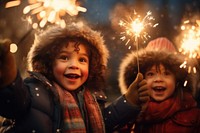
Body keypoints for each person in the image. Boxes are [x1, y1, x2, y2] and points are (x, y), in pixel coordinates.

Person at [0, 21, 149, 133]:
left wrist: (128, 100)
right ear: (48, 63)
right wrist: (9, 79)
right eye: (64, 58)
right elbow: (13, 102)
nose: (74, 65)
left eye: (82, 60)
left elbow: (104, 124)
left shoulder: (92, 99)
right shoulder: (34, 89)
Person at [118, 37, 200, 132]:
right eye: (151, 74)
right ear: (141, 79)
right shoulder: (131, 116)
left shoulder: (194, 116)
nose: (158, 79)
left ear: (177, 80)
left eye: (166, 73)